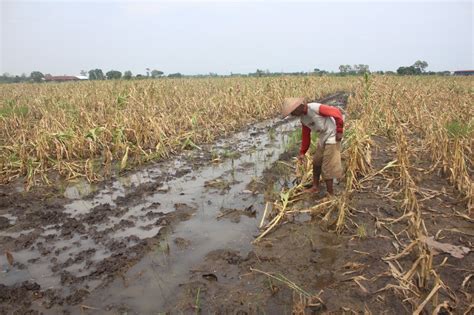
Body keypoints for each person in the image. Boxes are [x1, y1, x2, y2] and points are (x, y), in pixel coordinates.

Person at [281, 97, 344, 195]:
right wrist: (302, 152)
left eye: (292, 112)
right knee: (316, 162)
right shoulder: (303, 119)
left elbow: (337, 113)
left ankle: (330, 194)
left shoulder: (315, 108)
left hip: (332, 135)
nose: (292, 115)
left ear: (298, 108)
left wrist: (339, 131)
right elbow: (306, 136)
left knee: (327, 167)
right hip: (323, 137)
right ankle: (315, 187)